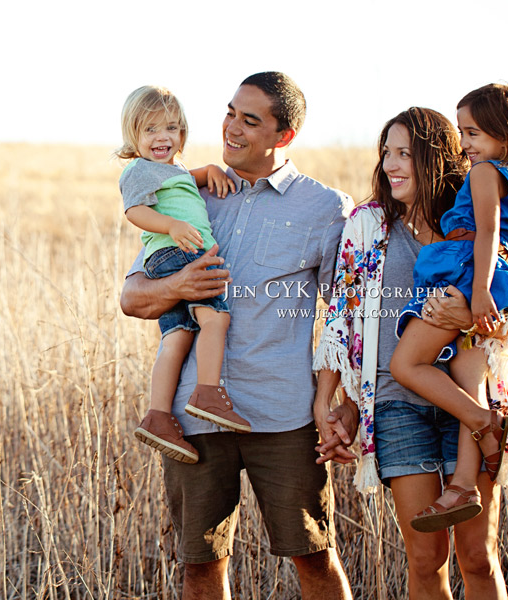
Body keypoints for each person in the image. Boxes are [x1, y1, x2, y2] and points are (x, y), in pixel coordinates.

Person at [120, 72, 354, 599]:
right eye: (230, 112)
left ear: (283, 136)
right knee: (201, 566)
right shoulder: (191, 193)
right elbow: (133, 298)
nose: (231, 128)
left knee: (314, 557)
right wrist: (180, 283)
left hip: (283, 413)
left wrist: (335, 401)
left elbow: (345, 317)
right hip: (192, 419)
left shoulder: (324, 208)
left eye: (250, 121)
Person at [314, 107, 508, 600]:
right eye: (386, 153)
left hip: (470, 400)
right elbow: (344, 317)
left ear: (434, 157)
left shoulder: (473, 221)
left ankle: (485, 422)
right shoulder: (368, 226)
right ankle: (487, 424)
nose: (391, 164)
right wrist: (337, 402)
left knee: (479, 558)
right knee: (426, 560)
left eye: (405, 154)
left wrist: (467, 313)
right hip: (398, 404)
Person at [389, 84, 508, 531]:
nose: (465, 145)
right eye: (462, 133)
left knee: (407, 364)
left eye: (473, 133)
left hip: (467, 274)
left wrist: (478, 292)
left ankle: (484, 422)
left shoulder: (482, 174)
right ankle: (462, 483)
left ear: (506, 133)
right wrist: (503, 294)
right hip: (504, 281)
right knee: (467, 377)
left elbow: (488, 234)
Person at [116, 85, 249, 465]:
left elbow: (175, 180)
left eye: (171, 129)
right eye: (151, 130)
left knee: (177, 335)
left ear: (183, 133)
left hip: (169, 256)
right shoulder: (138, 170)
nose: (162, 138)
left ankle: (159, 416)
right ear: (133, 136)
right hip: (180, 253)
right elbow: (135, 211)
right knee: (216, 318)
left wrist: (206, 172)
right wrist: (172, 225)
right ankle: (208, 393)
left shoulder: (167, 170)